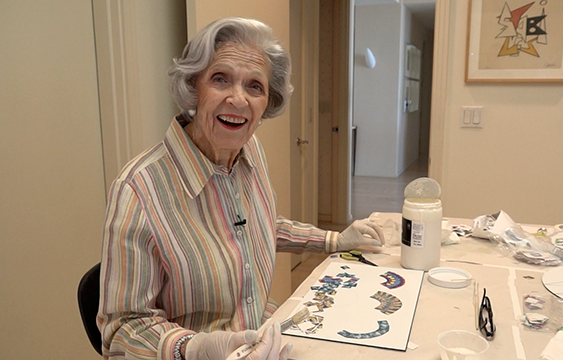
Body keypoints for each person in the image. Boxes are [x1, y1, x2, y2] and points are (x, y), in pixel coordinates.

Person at [97, 17, 384, 360]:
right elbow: (121, 333)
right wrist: (196, 348)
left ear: (268, 103)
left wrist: (333, 240)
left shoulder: (249, 152)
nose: (238, 99)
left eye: (254, 86)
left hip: (263, 341)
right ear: (193, 86)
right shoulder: (138, 190)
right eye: (220, 79)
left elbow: (259, 225)